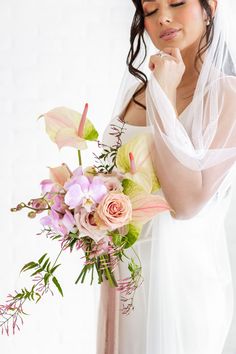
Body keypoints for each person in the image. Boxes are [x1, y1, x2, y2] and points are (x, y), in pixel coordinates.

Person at [96, 0, 236, 353]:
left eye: (176, 2)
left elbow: (185, 203)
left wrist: (164, 93)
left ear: (210, 8)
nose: (164, 18)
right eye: (150, 10)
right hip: (127, 278)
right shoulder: (134, 94)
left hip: (182, 283)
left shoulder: (226, 97)